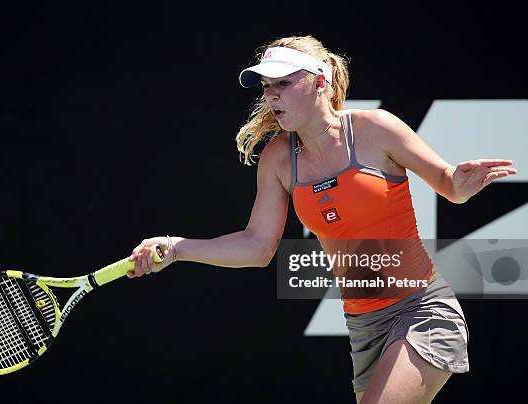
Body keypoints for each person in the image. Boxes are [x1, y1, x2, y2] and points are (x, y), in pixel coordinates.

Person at [127, 35, 517, 403]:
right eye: (266, 86)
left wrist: (462, 184)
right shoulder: (278, 159)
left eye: (283, 82)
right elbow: (258, 246)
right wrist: (178, 248)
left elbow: (449, 184)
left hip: (422, 310)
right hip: (363, 327)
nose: (271, 94)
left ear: (320, 82)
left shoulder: (374, 129)